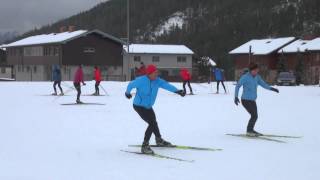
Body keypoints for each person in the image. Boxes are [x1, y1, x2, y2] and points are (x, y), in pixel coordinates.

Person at [125, 64, 186, 154]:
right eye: (154, 73)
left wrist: (177, 91)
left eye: (156, 72)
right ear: (149, 74)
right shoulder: (141, 80)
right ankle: (145, 145)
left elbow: (166, 85)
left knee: (154, 122)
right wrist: (127, 93)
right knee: (152, 123)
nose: (156, 74)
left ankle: (159, 139)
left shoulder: (157, 81)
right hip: (139, 105)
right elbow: (130, 84)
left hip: (148, 106)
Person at [234, 63, 279, 137]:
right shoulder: (245, 77)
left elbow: (263, 84)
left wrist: (272, 88)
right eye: (254, 70)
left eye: (257, 70)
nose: (256, 71)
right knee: (254, 115)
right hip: (245, 100)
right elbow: (238, 86)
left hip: (252, 100)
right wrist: (236, 97)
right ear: (251, 70)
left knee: (255, 116)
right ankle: (249, 131)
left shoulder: (257, 77)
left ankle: (251, 130)